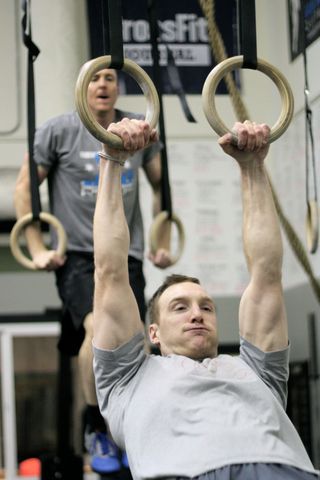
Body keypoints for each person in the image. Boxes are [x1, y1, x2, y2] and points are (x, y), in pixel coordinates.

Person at [92, 117, 320, 480]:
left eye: (206, 307)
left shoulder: (257, 369)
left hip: (284, 471)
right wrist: (112, 160)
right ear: (152, 333)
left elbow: (266, 274)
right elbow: (110, 271)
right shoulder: (127, 378)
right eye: (179, 308)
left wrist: (254, 166)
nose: (196, 314)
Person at [14, 68, 171, 476]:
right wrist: (35, 247)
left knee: (137, 340)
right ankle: (95, 423)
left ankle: (135, 420)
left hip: (128, 252)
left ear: (118, 87)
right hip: (80, 255)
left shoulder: (139, 128)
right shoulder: (58, 131)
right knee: (95, 326)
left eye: (109, 78)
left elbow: (162, 190)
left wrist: (163, 241)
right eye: (94, 79)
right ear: (82, 89)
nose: (103, 85)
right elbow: (26, 188)